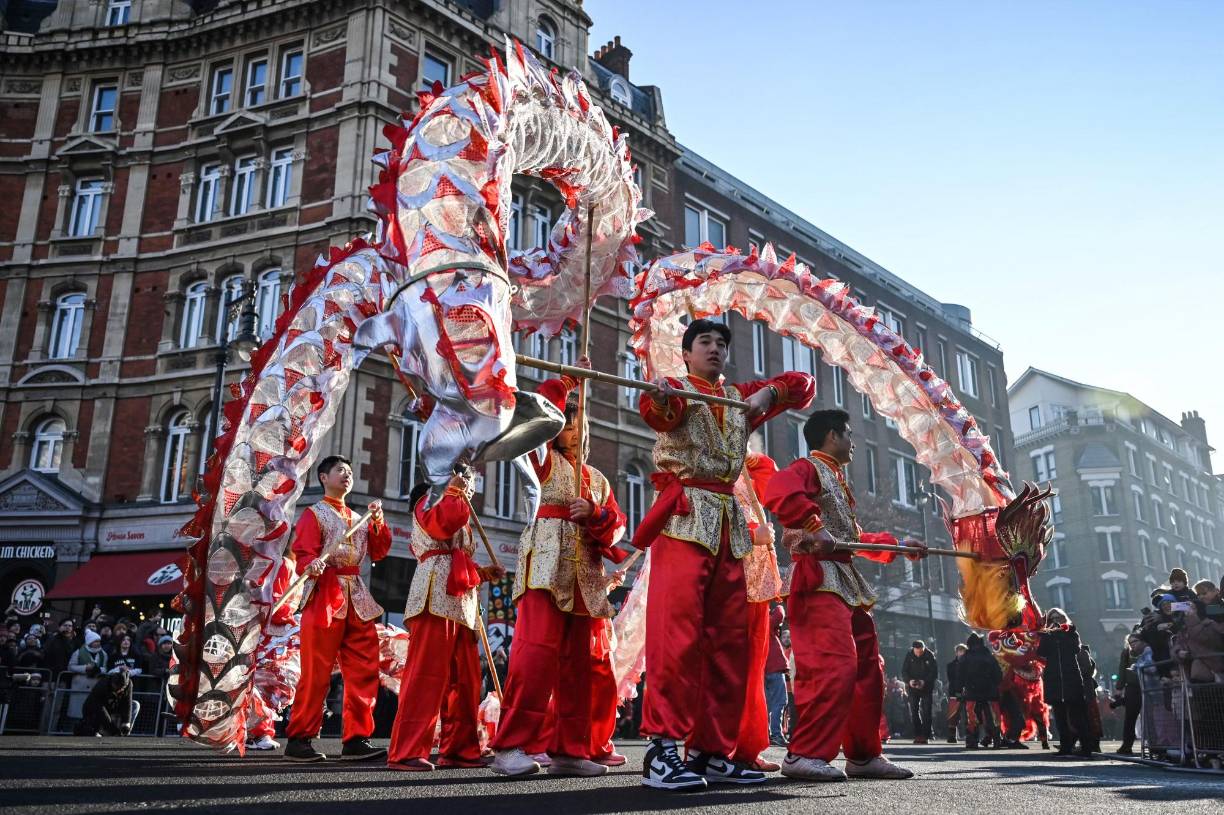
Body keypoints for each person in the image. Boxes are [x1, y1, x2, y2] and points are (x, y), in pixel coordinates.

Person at [633, 318, 815, 790]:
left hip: (730, 529)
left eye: (721, 343)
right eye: (705, 342)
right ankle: (662, 749)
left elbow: (803, 385)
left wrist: (767, 397)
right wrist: (662, 398)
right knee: (677, 637)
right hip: (686, 518)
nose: (715, 349)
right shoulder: (672, 387)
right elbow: (657, 413)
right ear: (687, 353)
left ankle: (712, 751)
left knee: (728, 644)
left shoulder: (736, 397)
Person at [763, 409, 923, 782]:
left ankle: (864, 754)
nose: (853, 442)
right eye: (849, 434)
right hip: (818, 580)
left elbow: (853, 538)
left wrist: (898, 546)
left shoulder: (837, 479)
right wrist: (813, 525)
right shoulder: (807, 468)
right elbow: (777, 491)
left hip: (846, 582)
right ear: (832, 436)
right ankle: (803, 752)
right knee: (835, 666)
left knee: (869, 669)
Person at [491, 367, 629, 778]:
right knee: (534, 658)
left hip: (585, 577)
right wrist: (567, 382)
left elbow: (617, 525)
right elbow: (533, 414)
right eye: (568, 422)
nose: (575, 430)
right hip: (544, 570)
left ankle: (570, 748)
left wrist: (597, 513)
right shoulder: (541, 460)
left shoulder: (597, 479)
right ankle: (510, 745)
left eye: (580, 423)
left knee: (579, 668)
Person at [389, 474, 503, 772]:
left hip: (462, 602)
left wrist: (482, 571)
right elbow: (443, 524)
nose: (468, 486)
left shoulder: (458, 509)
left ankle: (460, 748)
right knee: (426, 678)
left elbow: (458, 556)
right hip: (434, 594)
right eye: (463, 479)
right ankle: (408, 750)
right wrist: (453, 491)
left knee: (465, 681)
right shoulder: (430, 501)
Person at [284, 455, 391, 762]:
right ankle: (299, 738)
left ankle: (357, 738)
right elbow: (302, 553)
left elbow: (380, 550)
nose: (347, 475)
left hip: (357, 597)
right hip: (324, 596)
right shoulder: (313, 514)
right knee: (316, 672)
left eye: (350, 471)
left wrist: (379, 520)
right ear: (323, 478)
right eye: (340, 471)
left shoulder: (358, 517)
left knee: (364, 669)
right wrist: (311, 564)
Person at [1036, 607, 1094, 757]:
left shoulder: (1072, 633)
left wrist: (1064, 633)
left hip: (1071, 678)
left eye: (1058, 618)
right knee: (1060, 717)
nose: (1055, 621)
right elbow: (1041, 653)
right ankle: (1065, 746)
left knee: (1077, 715)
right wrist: (1046, 636)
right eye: (1052, 618)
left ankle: (1086, 747)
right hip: (1054, 679)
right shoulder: (1048, 636)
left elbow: (1075, 648)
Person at [959, 633, 1002, 750]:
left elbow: (959, 676)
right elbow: (998, 675)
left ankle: (972, 741)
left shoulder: (965, 657)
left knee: (972, 717)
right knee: (992, 717)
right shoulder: (990, 657)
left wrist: (962, 688)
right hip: (990, 692)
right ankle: (997, 739)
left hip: (972, 692)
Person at [1112, 633, 1146, 754]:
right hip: (1132, 687)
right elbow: (1122, 670)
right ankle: (1127, 745)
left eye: (1135, 641)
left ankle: (1153, 745)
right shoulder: (1126, 653)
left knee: (1149, 717)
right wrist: (1119, 688)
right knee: (1130, 718)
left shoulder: (1147, 651)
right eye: (1130, 642)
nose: (1132, 644)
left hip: (1147, 685)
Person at [75, 668, 134, 737]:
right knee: (95, 732)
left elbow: (127, 703)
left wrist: (126, 723)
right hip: (96, 709)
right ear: (112, 683)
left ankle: (125, 731)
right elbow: (101, 711)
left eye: (121, 689)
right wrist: (114, 730)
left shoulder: (129, 684)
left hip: (114, 706)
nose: (118, 691)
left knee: (135, 705)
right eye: (116, 687)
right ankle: (95, 731)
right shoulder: (102, 685)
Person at [902, 640, 938, 743]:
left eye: (920, 652)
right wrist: (909, 680)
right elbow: (904, 671)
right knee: (914, 710)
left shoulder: (930, 655)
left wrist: (924, 681)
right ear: (913, 649)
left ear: (924, 648)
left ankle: (926, 735)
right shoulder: (909, 655)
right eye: (916, 652)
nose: (918, 654)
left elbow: (934, 672)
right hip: (913, 687)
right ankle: (917, 734)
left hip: (926, 687)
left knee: (927, 711)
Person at [945, 644, 968, 744]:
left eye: (963, 651)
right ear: (956, 652)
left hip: (968, 692)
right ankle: (952, 736)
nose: (961, 653)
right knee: (953, 714)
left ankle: (970, 735)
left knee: (968, 714)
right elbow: (951, 679)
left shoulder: (970, 664)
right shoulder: (951, 665)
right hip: (954, 692)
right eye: (959, 651)